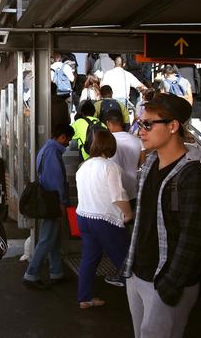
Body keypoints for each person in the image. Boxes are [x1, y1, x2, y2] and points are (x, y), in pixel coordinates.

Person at [123, 94, 201, 338]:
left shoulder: (194, 174)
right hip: (138, 274)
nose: (140, 131)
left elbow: (194, 239)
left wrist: (170, 285)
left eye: (147, 124)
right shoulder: (149, 165)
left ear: (173, 126)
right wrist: (130, 268)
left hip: (166, 281)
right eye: (139, 124)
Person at [75, 128, 133, 308]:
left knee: (89, 259)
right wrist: (129, 214)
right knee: (125, 259)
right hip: (105, 219)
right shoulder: (110, 166)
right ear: (110, 146)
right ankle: (138, 297)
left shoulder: (83, 166)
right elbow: (118, 196)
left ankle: (84, 298)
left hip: (83, 217)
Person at [23, 124, 75, 289]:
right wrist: (62, 201)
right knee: (46, 239)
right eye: (68, 139)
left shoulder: (46, 148)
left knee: (53, 238)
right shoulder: (53, 152)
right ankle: (31, 274)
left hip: (47, 199)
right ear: (62, 137)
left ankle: (56, 272)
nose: (68, 143)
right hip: (52, 201)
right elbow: (56, 180)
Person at [105, 110, 144, 204]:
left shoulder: (106, 142)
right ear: (122, 121)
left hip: (112, 192)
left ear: (108, 123)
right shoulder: (138, 141)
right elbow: (142, 163)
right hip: (133, 190)